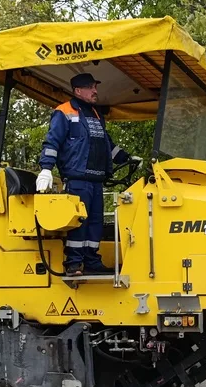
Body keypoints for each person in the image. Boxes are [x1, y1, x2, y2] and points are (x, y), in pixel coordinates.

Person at [37, 72, 141, 276]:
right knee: (79, 222)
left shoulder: (95, 113)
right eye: (91, 87)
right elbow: (52, 142)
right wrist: (46, 168)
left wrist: (127, 159)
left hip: (95, 180)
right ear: (78, 90)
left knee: (95, 223)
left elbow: (106, 144)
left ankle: (92, 260)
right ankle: (74, 263)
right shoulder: (63, 112)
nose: (95, 91)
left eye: (95, 87)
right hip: (77, 179)